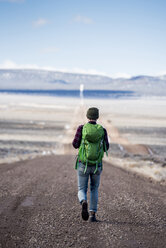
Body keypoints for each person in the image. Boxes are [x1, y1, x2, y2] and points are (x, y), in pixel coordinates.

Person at [72, 107, 109, 222]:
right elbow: (106, 147)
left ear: (87, 117)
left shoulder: (82, 128)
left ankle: (83, 201)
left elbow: (75, 144)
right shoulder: (102, 130)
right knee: (94, 189)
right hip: (97, 165)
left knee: (81, 189)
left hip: (83, 163)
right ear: (97, 117)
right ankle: (92, 215)